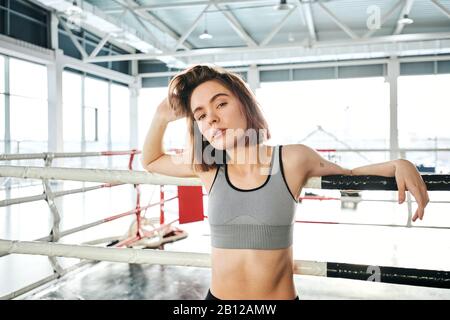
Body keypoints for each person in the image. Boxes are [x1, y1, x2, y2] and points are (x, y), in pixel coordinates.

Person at [141, 64, 429, 300]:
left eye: (221, 104)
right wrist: (161, 116)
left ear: (244, 103)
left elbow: (349, 177)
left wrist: (398, 164)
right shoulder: (208, 168)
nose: (212, 119)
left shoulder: (292, 160)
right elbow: (151, 160)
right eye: (201, 115)